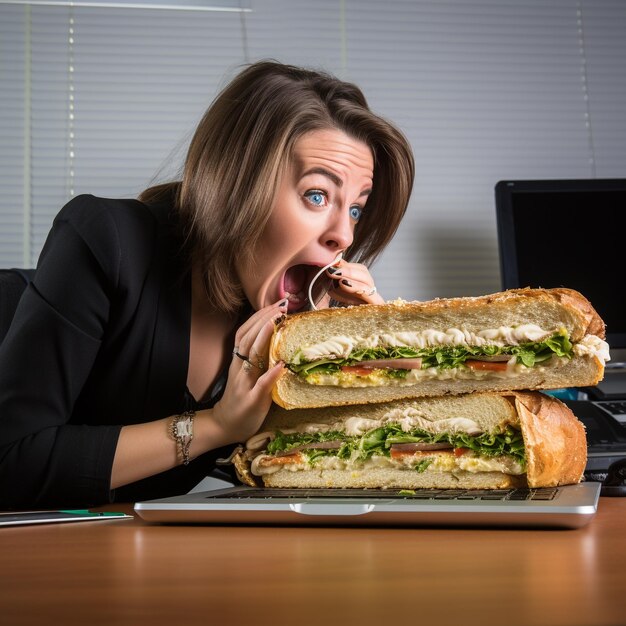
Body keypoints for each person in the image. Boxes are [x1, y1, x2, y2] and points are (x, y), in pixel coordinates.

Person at [0, 60, 414, 509]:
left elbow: (331, 459)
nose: (345, 236)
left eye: (355, 208)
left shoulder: (285, 309)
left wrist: (376, 339)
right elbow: (12, 463)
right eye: (317, 195)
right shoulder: (106, 239)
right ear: (237, 185)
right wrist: (216, 426)